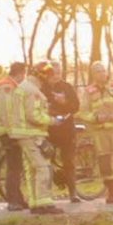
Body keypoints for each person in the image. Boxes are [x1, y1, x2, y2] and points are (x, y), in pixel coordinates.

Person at [15, 62, 61, 215]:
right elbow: (33, 115)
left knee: (32, 170)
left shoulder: (24, 87)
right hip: (32, 134)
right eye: (50, 76)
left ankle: (35, 204)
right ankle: (45, 204)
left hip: (25, 134)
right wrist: (52, 120)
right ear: (43, 76)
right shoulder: (33, 91)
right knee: (43, 167)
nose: (51, 80)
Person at [82, 62, 113, 204]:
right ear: (93, 75)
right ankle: (112, 193)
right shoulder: (88, 92)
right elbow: (83, 111)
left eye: (103, 70)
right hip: (100, 131)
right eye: (97, 72)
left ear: (107, 72)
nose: (101, 74)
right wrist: (95, 118)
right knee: (105, 163)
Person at [35, 61, 83, 202]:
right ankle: (47, 193)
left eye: (59, 72)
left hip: (66, 131)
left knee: (69, 161)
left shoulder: (67, 87)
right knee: (46, 161)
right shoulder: (42, 88)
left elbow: (76, 107)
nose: (56, 76)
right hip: (49, 130)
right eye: (53, 73)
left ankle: (73, 193)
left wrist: (64, 102)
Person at [0, 62, 28, 210]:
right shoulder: (7, 86)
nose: (24, 77)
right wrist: (13, 133)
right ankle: (13, 200)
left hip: (10, 131)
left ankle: (18, 198)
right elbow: (7, 112)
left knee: (16, 166)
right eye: (24, 74)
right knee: (14, 167)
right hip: (8, 132)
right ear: (20, 73)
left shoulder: (10, 85)